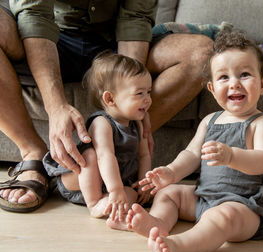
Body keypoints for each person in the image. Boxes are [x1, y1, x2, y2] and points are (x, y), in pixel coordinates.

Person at [0, 0, 213, 212]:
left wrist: (131, 97)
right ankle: (33, 153)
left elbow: (135, 18)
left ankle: (121, 148)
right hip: (48, 38)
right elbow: (34, 15)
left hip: (113, 43)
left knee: (201, 53)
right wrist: (56, 107)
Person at [113, 31, 263, 252]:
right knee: (169, 194)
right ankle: (158, 223)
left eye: (244, 74)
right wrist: (171, 172)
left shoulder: (261, 123)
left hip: (244, 206)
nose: (234, 83)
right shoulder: (210, 120)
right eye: (224, 77)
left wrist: (231, 155)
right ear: (211, 89)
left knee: (221, 217)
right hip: (203, 197)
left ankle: (178, 246)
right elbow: (191, 154)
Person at [42, 52, 152, 223]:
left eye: (148, 92)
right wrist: (115, 189)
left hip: (115, 182)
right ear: (110, 98)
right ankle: (94, 204)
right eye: (139, 94)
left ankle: (117, 216)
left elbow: (144, 155)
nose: (148, 100)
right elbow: (105, 156)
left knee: (133, 194)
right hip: (81, 182)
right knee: (91, 156)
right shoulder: (102, 123)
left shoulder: (138, 122)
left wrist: (144, 184)